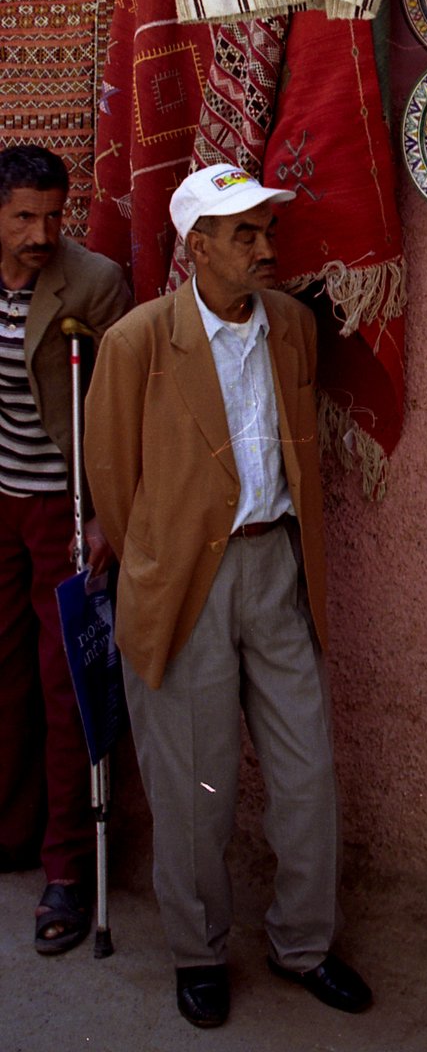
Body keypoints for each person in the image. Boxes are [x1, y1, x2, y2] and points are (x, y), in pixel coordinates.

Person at [84, 163, 371, 1029]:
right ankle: (199, 953)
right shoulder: (138, 341)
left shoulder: (291, 326)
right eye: (243, 233)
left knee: (306, 771)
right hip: (183, 579)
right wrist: (157, 563)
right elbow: (114, 480)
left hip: (275, 564)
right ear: (196, 246)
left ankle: (303, 945)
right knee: (192, 788)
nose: (264, 246)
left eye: (266, 230)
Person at [0, 144, 130, 954]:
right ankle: (12, 830)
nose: (41, 234)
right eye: (24, 217)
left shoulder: (93, 283)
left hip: (61, 506)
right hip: (0, 503)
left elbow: (120, 405)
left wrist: (107, 514)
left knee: (64, 685)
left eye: (53, 216)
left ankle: (67, 869)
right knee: (5, 672)